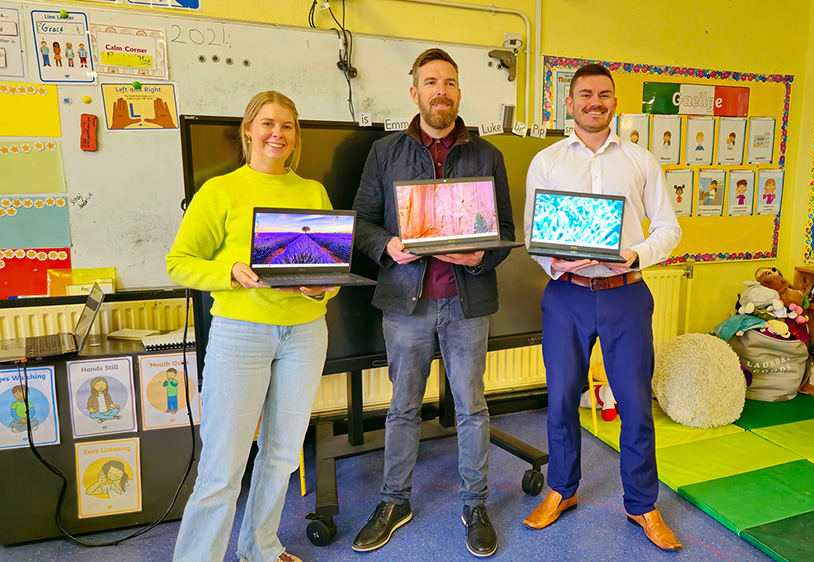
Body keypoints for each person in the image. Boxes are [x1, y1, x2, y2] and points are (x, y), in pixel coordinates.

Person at [351, 48, 514, 557]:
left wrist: (478, 259)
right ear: (414, 90)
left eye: (449, 82)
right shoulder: (385, 152)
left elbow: (504, 232)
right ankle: (394, 501)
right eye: (430, 82)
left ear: (458, 92)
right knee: (401, 408)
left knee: (472, 408)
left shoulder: (488, 156)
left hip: (466, 303)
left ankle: (475, 503)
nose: (440, 91)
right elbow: (360, 222)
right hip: (407, 302)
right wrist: (388, 246)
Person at [167, 91, 339, 562]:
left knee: (282, 456)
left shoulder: (312, 193)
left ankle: (262, 548)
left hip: (305, 333)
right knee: (223, 467)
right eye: (267, 124)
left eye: (287, 126)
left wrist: (317, 290)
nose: (277, 134)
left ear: (295, 136)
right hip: (240, 332)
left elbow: (329, 274)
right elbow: (179, 264)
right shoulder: (219, 191)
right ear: (248, 130)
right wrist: (230, 272)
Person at [522, 63, 683, 551]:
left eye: (604, 94)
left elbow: (669, 230)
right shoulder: (546, 161)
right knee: (562, 398)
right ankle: (561, 490)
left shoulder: (641, 160)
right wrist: (559, 257)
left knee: (635, 405)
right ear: (568, 103)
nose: (595, 101)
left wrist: (635, 253)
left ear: (615, 102)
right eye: (585, 94)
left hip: (626, 294)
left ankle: (642, 505)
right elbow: (534, 236)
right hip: (567, 294)